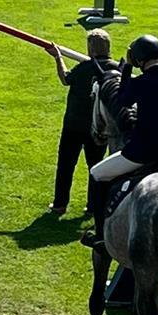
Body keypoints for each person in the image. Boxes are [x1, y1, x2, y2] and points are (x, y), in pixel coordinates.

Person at [84, 34, 158, 251]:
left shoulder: (141, 83)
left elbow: (122, 100)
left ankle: (101, 235)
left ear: (139, 59)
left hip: (142, 151)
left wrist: (126, 70)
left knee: (97, 174)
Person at [47, 30, 117, 217]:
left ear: (90, 49)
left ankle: (60, 204)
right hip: (100, 129)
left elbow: (65, 78)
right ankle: (93, 207)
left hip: (74, 126)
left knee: (66, 165)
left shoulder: (84, 67)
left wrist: (58, 57)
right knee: (96, 168)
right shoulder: (116, 70)